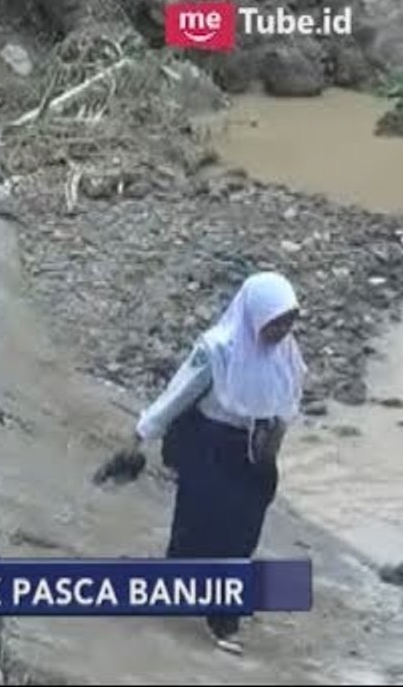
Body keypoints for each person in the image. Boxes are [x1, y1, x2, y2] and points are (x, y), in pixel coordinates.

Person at [133, 271, 307, 654]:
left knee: (241, 536)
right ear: (255, 315)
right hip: (211, 447)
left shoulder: (287, 353)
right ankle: (196, 599)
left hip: (254, 455)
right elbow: (178, 393)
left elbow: (289, 402)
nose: (282, 330)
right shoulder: (217, 348)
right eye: (276, 322)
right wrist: (142, 434)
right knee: (199, 528)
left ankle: (223, 613)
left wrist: (273, 446)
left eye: (288, 322)